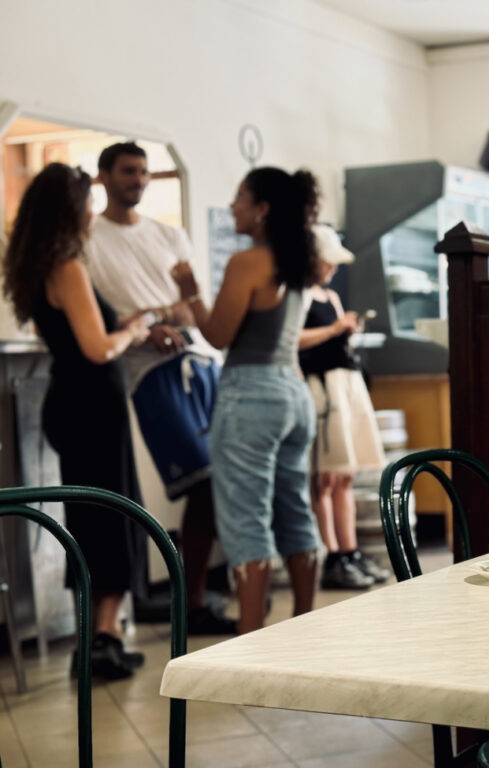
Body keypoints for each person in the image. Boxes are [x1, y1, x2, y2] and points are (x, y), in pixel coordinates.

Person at [1, 164, 151, 678]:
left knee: (91, 520)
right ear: (72, 208)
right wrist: (133, 332)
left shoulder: (37, 267)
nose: (93, 210)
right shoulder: (69, 267)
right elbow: (97, 348)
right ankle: (101, 640)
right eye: (87, 201)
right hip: (93, 407)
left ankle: (97, 637)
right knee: (109, 518)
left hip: (71, 404)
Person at [85, 141, 234, 635]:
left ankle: (191, 600)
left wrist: (161, 315)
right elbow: (99, 317)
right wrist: (147, 327)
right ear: (104, 176)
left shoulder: (170, 235)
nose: (139, 180)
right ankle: (185, 599)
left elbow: (193, 306)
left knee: (217, 482)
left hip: (199, 363)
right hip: (147, 373)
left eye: (145, 172)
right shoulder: (87, 239)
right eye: (129, 171)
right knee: (201, 478)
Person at [171, 166, 322, 634]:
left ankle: (250, 647)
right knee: (295, 510)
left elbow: (217, 335)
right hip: (294, 394)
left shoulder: (248, 262)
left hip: (250, 396)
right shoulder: (301, 258)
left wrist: (191, 296)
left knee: (245, 519)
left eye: (240, 198)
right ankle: (305, 629)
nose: (233, 206)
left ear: (262, 209)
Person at [298, 225, 389, 589]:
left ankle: (349, 550)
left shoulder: (329, 296)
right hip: (320, 388)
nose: (332, 269)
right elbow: (293, 339)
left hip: (345, 384)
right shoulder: (298, 296)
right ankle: (331, 554)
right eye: (327, 262)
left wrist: (345, 329)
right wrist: (335, 330)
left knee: (345, 474)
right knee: (325, 475)